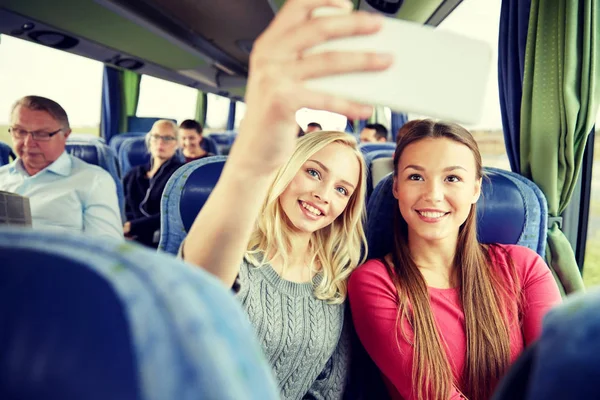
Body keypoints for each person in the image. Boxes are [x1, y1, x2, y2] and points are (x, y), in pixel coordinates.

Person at [179, 0, 393, 398]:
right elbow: (199, 287)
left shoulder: (338, 278)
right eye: (313, 172)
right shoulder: (237, 250)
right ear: (286, 168)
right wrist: (252, 163)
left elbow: (329, 387)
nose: (322, 195)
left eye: (342, 189)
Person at [348, 119, 562, 400]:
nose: (433, 195)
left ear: (475, 189)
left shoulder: (524, 267)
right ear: (396, 187)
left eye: (452, 178)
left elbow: (556, 376)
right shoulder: (374, 281)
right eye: (416, 177)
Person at [0, 95, 122, 240]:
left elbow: (106, 250)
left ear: (66, 135)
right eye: (20, 131)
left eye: (42, 134)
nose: (27, 143)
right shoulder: (2, 176)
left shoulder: (94, 180)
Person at [122, 120, 183, 247]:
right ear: (149, 140)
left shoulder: (181, 175)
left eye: (167, 138)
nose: (160, 142)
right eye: (156, 137)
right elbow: (121, 205)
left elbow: (174, 215)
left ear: (176, 143)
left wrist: (133, 226)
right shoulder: (134, 174)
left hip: (158, 242)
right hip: (125, 236)